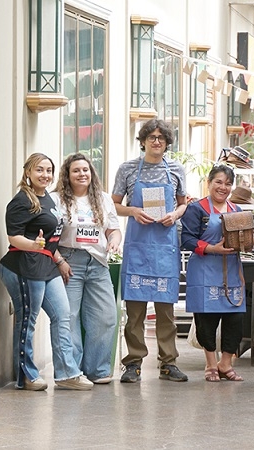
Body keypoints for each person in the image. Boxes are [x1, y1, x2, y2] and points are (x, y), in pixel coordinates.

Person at [0, 153, 93, 391]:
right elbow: (13, 237)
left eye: (49, 170)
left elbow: (50, 240)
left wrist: (59, 260)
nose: (45, 175)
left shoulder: (48, 200)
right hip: (24, 266)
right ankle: (28, 376)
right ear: (28, 172)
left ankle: (67, 374)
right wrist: (32, 245)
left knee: (63, 316)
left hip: (47, 266)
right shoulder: (21, 201)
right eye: (39, 170)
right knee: (27, 321)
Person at [112, 119, 189, 383]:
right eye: (152, 137)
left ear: (167, 142)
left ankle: (168, 362)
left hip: (166, 247)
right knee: (135, 311)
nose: (157, 141)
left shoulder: (177, 169)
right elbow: (113, 206)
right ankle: (133, 363)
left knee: (166, 311)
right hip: (138, 248)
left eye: (162, 138)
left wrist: (174, 215)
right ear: (143, 140)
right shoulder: (128, 169)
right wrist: (133, 210)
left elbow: (183, 204)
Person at [51, 153, 122, 384]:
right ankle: (71, 373)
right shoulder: (57, 200)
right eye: (76, 171)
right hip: (69, 261)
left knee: (106, 316)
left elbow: (113, 228)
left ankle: (98, 370)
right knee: (68, 318)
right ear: (67, 175)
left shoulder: (102, 199)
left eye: (86, 170)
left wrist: (114, 240)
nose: (82, 174)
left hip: (98, 262)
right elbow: (50, 237)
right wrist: (60, 260)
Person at [181, 165, 246, 382]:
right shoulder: (196, 209)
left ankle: (225, 363)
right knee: (206, 319)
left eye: (228, 183)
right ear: (209, 183)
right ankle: (210, 363)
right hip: (205, 271)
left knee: (235, 319)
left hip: (232, 272)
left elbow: (244, 238)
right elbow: (187, 239)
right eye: (218, 182)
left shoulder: (237, 211)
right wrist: (211, 248)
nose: (223, 187)